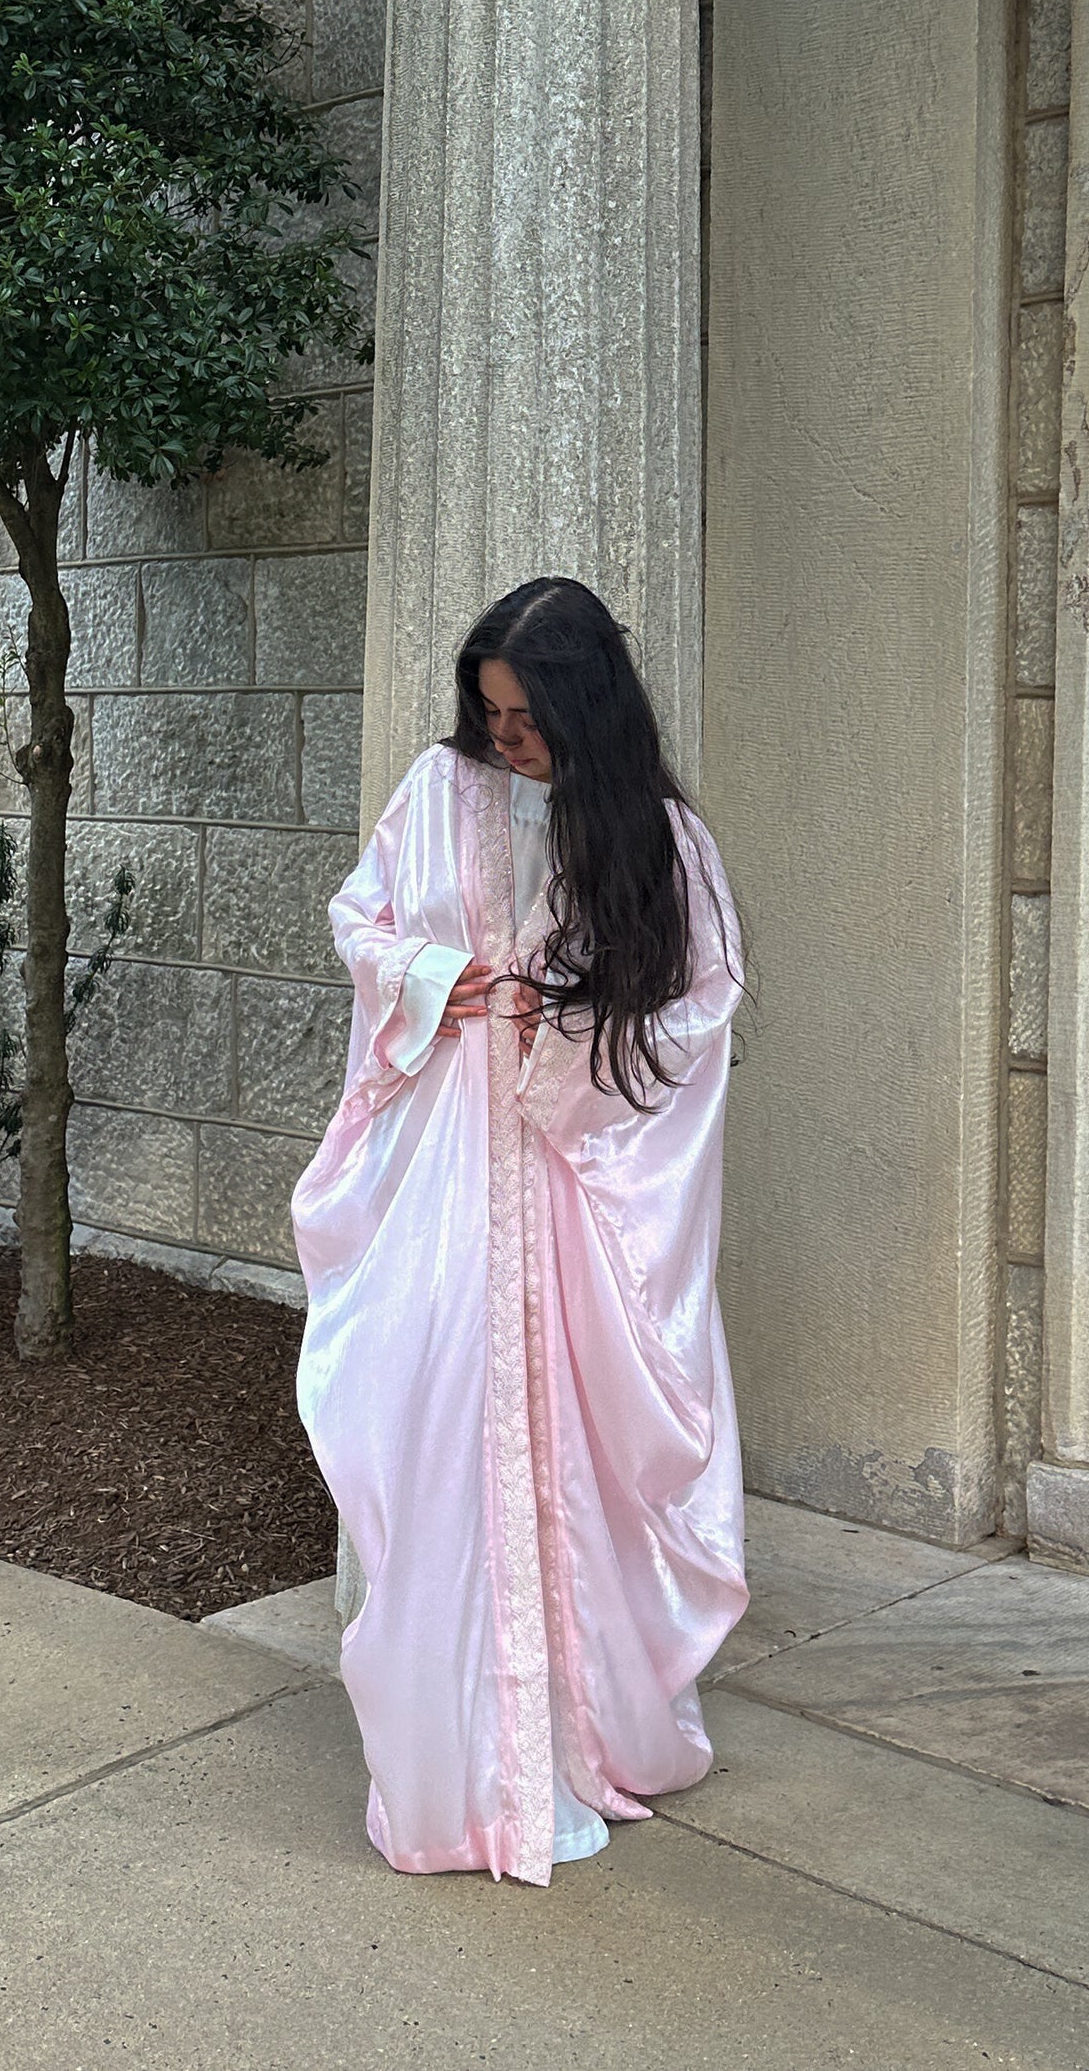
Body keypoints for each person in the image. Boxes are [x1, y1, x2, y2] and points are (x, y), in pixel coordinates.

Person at [291, 576, 749, 1888]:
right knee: (443, 1442)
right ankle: (461, 1771)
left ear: (584, 707)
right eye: (490, 715)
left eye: (528, 717)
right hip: (441, 1179)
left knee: (572, 1456)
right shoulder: (436, 795)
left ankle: (575, 1735)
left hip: (574, 1192)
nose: (506, 740)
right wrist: (435, 982)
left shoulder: (656, 839)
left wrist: (570, 1046)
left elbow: (700, 1008)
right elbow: (359, 922)